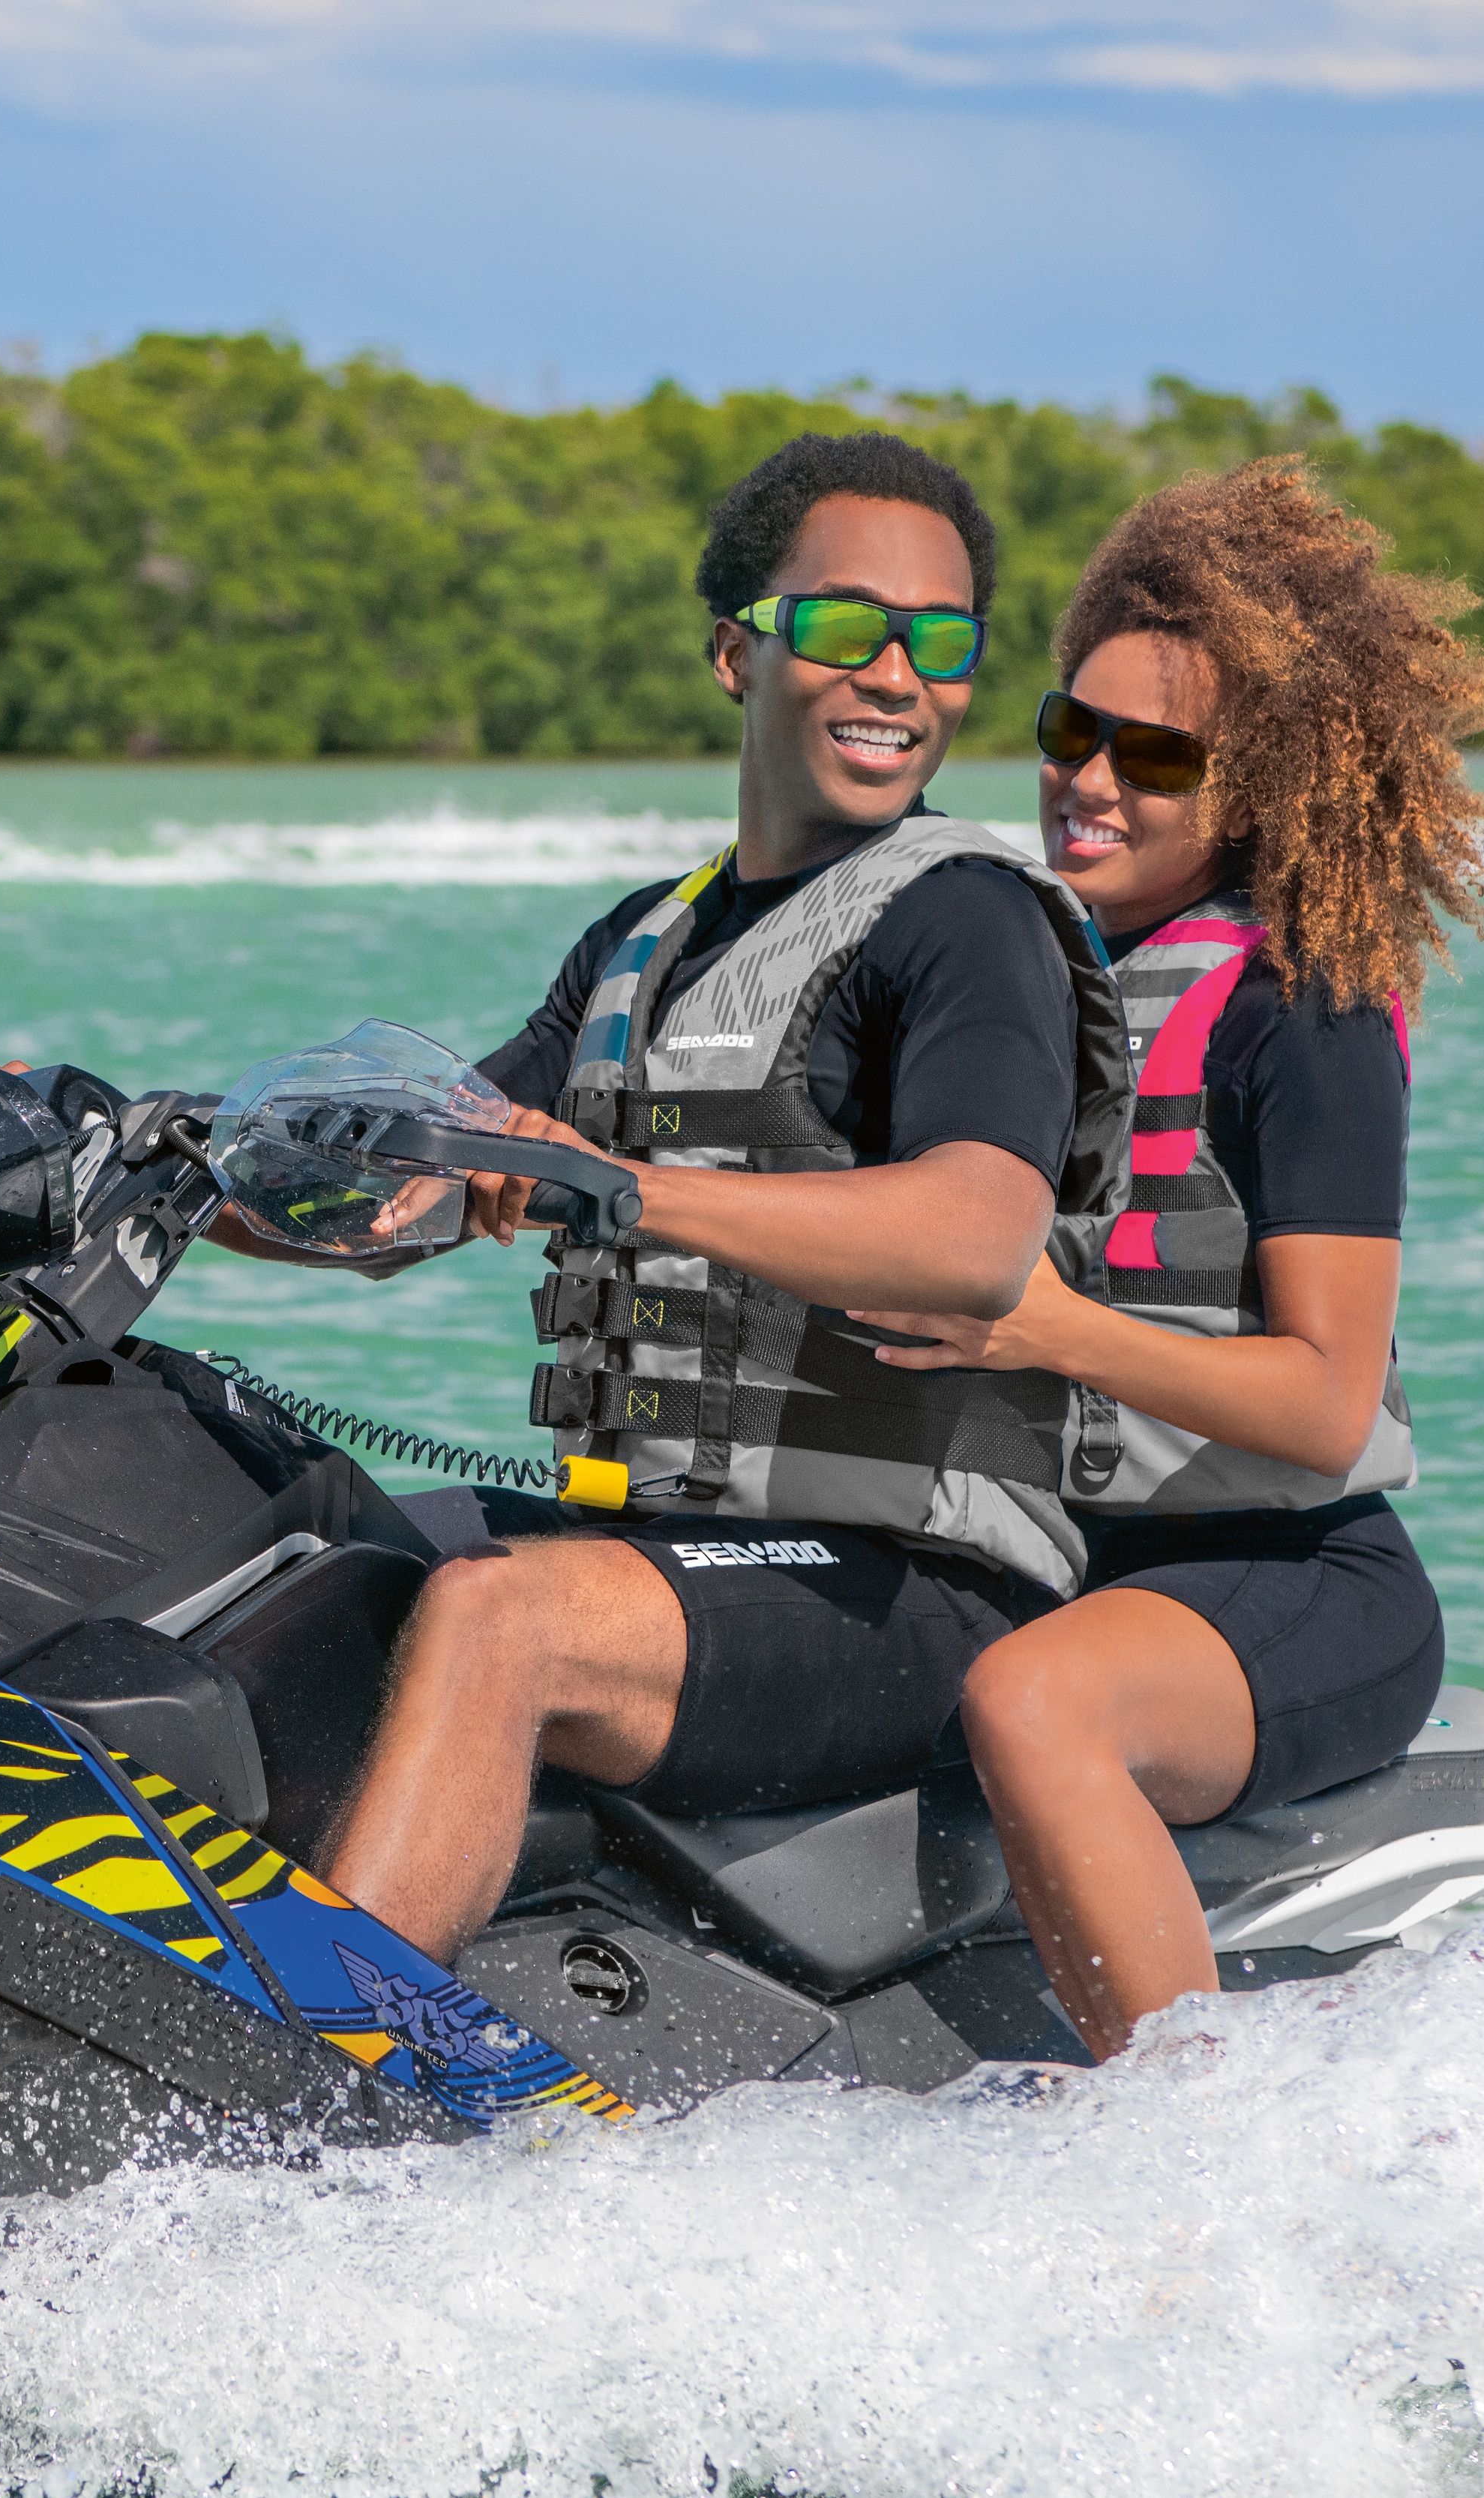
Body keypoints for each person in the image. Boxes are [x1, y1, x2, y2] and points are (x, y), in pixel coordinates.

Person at [300, 433, 1132, 1966]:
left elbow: (974, 1235)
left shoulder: (964, 922)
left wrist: (620, 1187)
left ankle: (323, 2075)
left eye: (939, 644)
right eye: (842, 627)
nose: (896, 674)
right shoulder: (644, 939)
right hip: (677, 1553)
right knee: (286, 1538)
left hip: (910, 1591)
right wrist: (140, 1149)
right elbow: (435, 1170)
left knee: (500, 1617)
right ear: (735, 653)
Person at [850, 457, 1484, 2057]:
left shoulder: (1304, 1010)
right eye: (1064, 732)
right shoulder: (1012, 979)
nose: (1085, 777)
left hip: (1293, 1581)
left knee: (1034, 1703)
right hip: (1048, 1561)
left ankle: (1193, 2177)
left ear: (1265, 783)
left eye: (1151, 751)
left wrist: (1043, 1331)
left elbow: (1324, 1405)